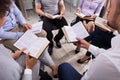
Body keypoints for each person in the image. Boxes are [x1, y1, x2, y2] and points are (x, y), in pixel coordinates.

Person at [58, 0, 120, 80]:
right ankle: (85, 43)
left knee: (63, 67)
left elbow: (86, 78)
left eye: (110, 6)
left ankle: (82, 42)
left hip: (91, 18)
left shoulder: (106, 60)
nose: (107, 10)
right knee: (99, 32)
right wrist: (88, 46)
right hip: (81, 16)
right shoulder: (112, 53)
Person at [0, 0, 58, 78]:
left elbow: (17, 13)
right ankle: (52, 66)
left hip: (18, 26)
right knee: (31, 47)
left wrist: (24, 23)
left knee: (42, 33)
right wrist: (18, 35)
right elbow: (2, 33)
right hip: (7, 35)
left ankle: (43, 60)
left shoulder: (9, 2)